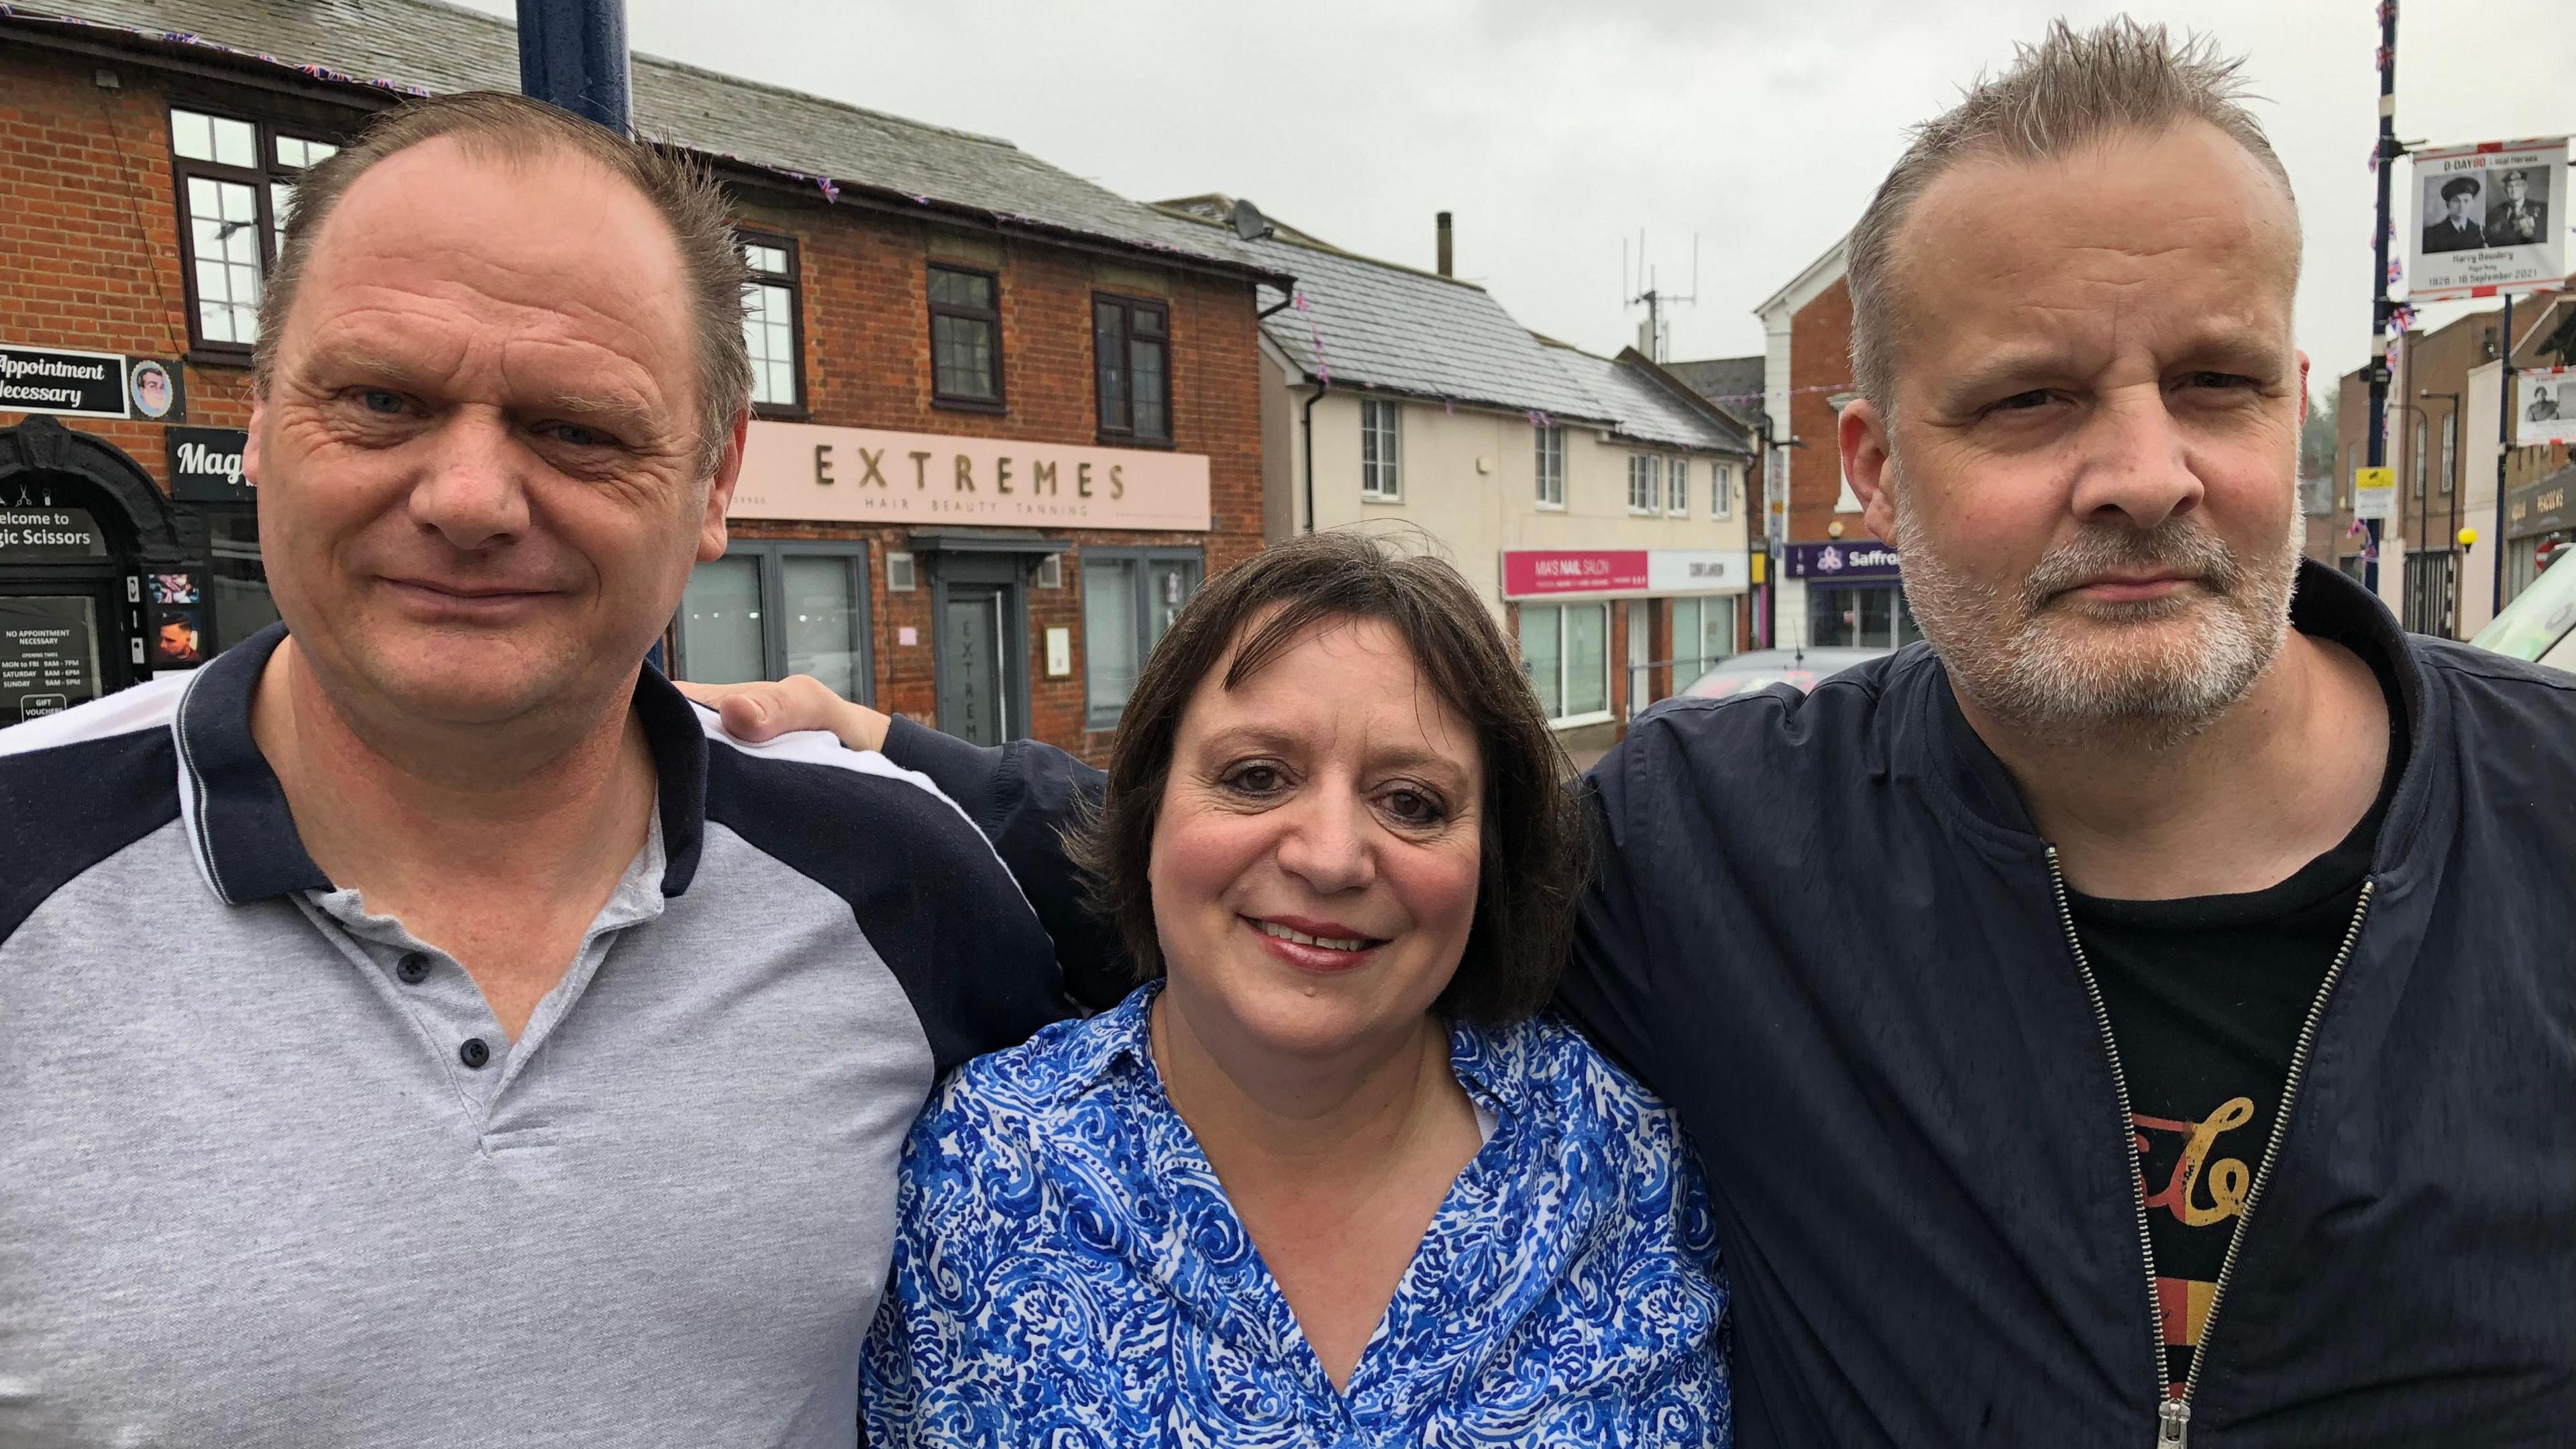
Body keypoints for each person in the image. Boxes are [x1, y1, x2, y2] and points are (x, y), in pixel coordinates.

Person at [715, 20, 2576, 1448]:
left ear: (2303, 408)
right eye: (2029, 403)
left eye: (2218, 382)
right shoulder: (1729, 846)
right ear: (1871, 463)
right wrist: (889, 742)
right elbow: (1325, 875)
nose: (2144, 471)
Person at [0, 93, 1087, 1448]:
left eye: (575, 428)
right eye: (383, 400)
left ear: (713, 479)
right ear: (267, 417)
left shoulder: (905, 884)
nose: (468, 498)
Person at [845, 532, 1729, 1445]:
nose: (1331, 856)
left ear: (1489, 862)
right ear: (1147, 817)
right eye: (1257, 778)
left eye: (1412, 802)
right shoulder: (976, 1173)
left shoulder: (1628, 1165)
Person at [2485, 167, 2548, 248]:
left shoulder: (2541, 209)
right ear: (2505, 190)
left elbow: (2546, 238)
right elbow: (2490, 239)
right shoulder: (2496, 212)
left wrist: (2532, 233)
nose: (2514, 190)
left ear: (2525, 187)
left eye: (2518, 185)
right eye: (2510, 186)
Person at [2423, 174, 2486, 253]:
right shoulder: (2431, 234)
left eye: (2466, 201)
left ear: (2472, 203)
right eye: (2456, 201)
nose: (2462, 206)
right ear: (2448, 205)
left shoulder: (2481, 232)